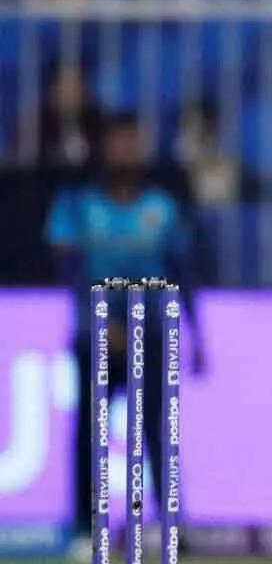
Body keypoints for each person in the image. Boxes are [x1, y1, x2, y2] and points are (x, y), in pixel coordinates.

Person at [44, 113, 206, 560]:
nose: (126, 152)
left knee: (157, 429)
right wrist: (100, 320)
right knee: (90, 431)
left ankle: (171, 523)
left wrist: (197, 333)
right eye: (118, 142)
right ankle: (85, 528)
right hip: (95, 335)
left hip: (149, 333)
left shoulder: (161, 207)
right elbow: (70, 271)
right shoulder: (78, 205)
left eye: (133, 143)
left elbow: (183, 271)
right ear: (103, 148)